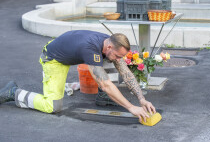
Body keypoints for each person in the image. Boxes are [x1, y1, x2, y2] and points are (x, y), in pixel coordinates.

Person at [0, 30, 156, 122]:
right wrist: (131, 107)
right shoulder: (90, 47)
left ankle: (105, 97)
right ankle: (14, 92)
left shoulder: (109, 43)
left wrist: (141, 99)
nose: (119, 59)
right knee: (53, 106)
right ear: (109, 46)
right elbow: (105, 83)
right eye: (117, 55)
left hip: (66, 48)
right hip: (54, 59)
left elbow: (126, 72)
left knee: (113, 63)